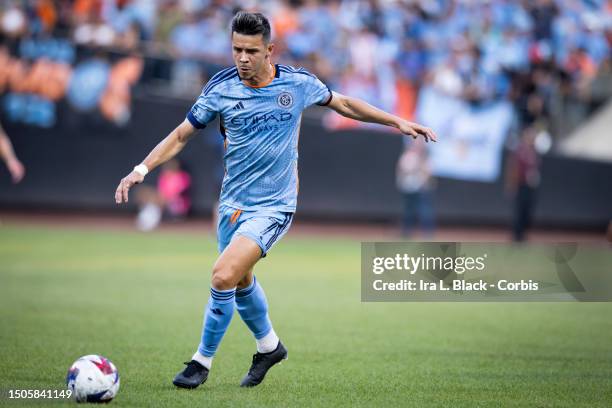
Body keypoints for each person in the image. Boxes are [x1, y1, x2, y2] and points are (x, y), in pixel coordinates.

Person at [114, 11, 436, 389]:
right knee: (239, 279)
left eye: (251, 50)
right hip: (232, 203)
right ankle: (269, 346)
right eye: (236, 49)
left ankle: (200, 363)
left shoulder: (297, 84)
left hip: (274, 205)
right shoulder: (220, 87)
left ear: (270, 50)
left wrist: (396, 121)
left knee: (222, 275)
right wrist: (141, 169)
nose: (243, 58)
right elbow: (182, 135)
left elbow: (344, 104)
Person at [396, 140, 435, 237]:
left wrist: (424, 183)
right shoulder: (408, 156)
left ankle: (427, 233)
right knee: (409, 211)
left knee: (424, 210)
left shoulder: (425, 157)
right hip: (409, 187)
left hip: (421, 187)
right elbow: (402, 169)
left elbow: (428, 172)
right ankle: (406, 232)